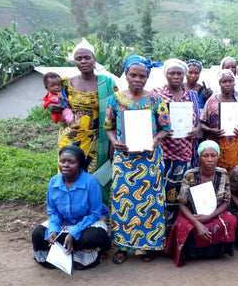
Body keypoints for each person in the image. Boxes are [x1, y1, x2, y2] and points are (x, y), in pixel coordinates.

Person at [104, 55, 170, 264]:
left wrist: (155, 139)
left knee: (150, 202)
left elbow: (166, 129)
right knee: (123, 200)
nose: (137, 79)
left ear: (148, 77)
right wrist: (115, 142)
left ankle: (148, 245)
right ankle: (123, 247)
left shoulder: (156, 100)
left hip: (149, 159)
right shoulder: (115, 99)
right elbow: (109, 127)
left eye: (142, 76)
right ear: (126, 74)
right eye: (133, 75)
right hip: (125, 160)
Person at [32, 146, 111, 270]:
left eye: (71, 162)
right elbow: (53, 211)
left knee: (95, 236)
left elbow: (95, 214)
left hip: (87, 223)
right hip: (65, 221)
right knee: (38, 234)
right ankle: (68, 251)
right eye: (62, 161)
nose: (65, 165)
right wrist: (53, 230)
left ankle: (91, 251)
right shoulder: (54, 181)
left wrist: (73, 233)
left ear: (79, 164)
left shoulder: (91, 182)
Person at [48, 38, 116, 176]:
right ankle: (67, 197)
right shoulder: (65, 83)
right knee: (67, 172)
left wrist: (113, 142)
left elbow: (116, 109)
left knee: (91, 173)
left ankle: (90, 198)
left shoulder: (106, 83)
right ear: (75, 62)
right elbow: (50, 99)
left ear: (94, 59)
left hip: (96, 138)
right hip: (69, 136)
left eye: (87, 57)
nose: (83, 61)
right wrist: (50, 106)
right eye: (79, 59)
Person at [166, 140, 237, 267]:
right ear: (199, 157)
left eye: (213, 156)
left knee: (231, 220)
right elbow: (182, 203)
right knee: (182, 226)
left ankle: (217, 252)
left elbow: (226, 201)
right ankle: (193, 253)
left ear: (218, 157)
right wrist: (197, 223)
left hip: (215, 212)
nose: (210, 159)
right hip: (193, 213)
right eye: (205, 156)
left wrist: (209, 217)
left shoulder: (223, 174)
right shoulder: (190, 175)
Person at [154, 58, 201, 229]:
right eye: (171, 73)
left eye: (179, 73)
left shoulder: (193, 95)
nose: (175, 76)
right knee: (161, 193)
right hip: (163, 153)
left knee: (180, 194)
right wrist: (161, 130)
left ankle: (175, 232)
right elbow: (151, 121)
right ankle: (159, 233)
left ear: (184, 75)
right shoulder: (157, 94)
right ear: (166, 74)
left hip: (185, 153)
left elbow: (198, 120)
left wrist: (196, 129)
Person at [200, 69, 238, 172]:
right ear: (219, 83)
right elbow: (201, 124)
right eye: (224, 81)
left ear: (234, 82)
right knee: (218, 174)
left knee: (236, 174)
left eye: (230, 81)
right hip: (217, 145)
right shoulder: (211, 101)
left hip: (237, 147)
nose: (227, 84)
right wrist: (211, 130)